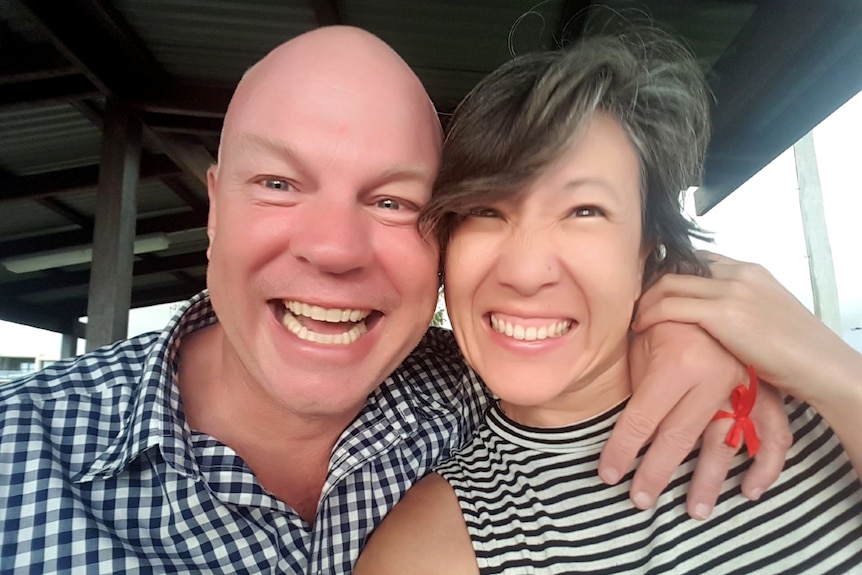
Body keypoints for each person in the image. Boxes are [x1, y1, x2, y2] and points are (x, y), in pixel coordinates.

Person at [0, 26, 791, 574]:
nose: (335, 248)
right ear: (214, 206)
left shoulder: (482, 386)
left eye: (391, 202)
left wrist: (675, 324)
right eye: (278, 184)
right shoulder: (18, 454)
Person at [354, 27, 862, 574]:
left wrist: (840, 378)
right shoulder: (434, 545)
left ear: (648, 246)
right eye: (485, 210)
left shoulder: (803, 402)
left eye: (584, 212)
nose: (525, 272)